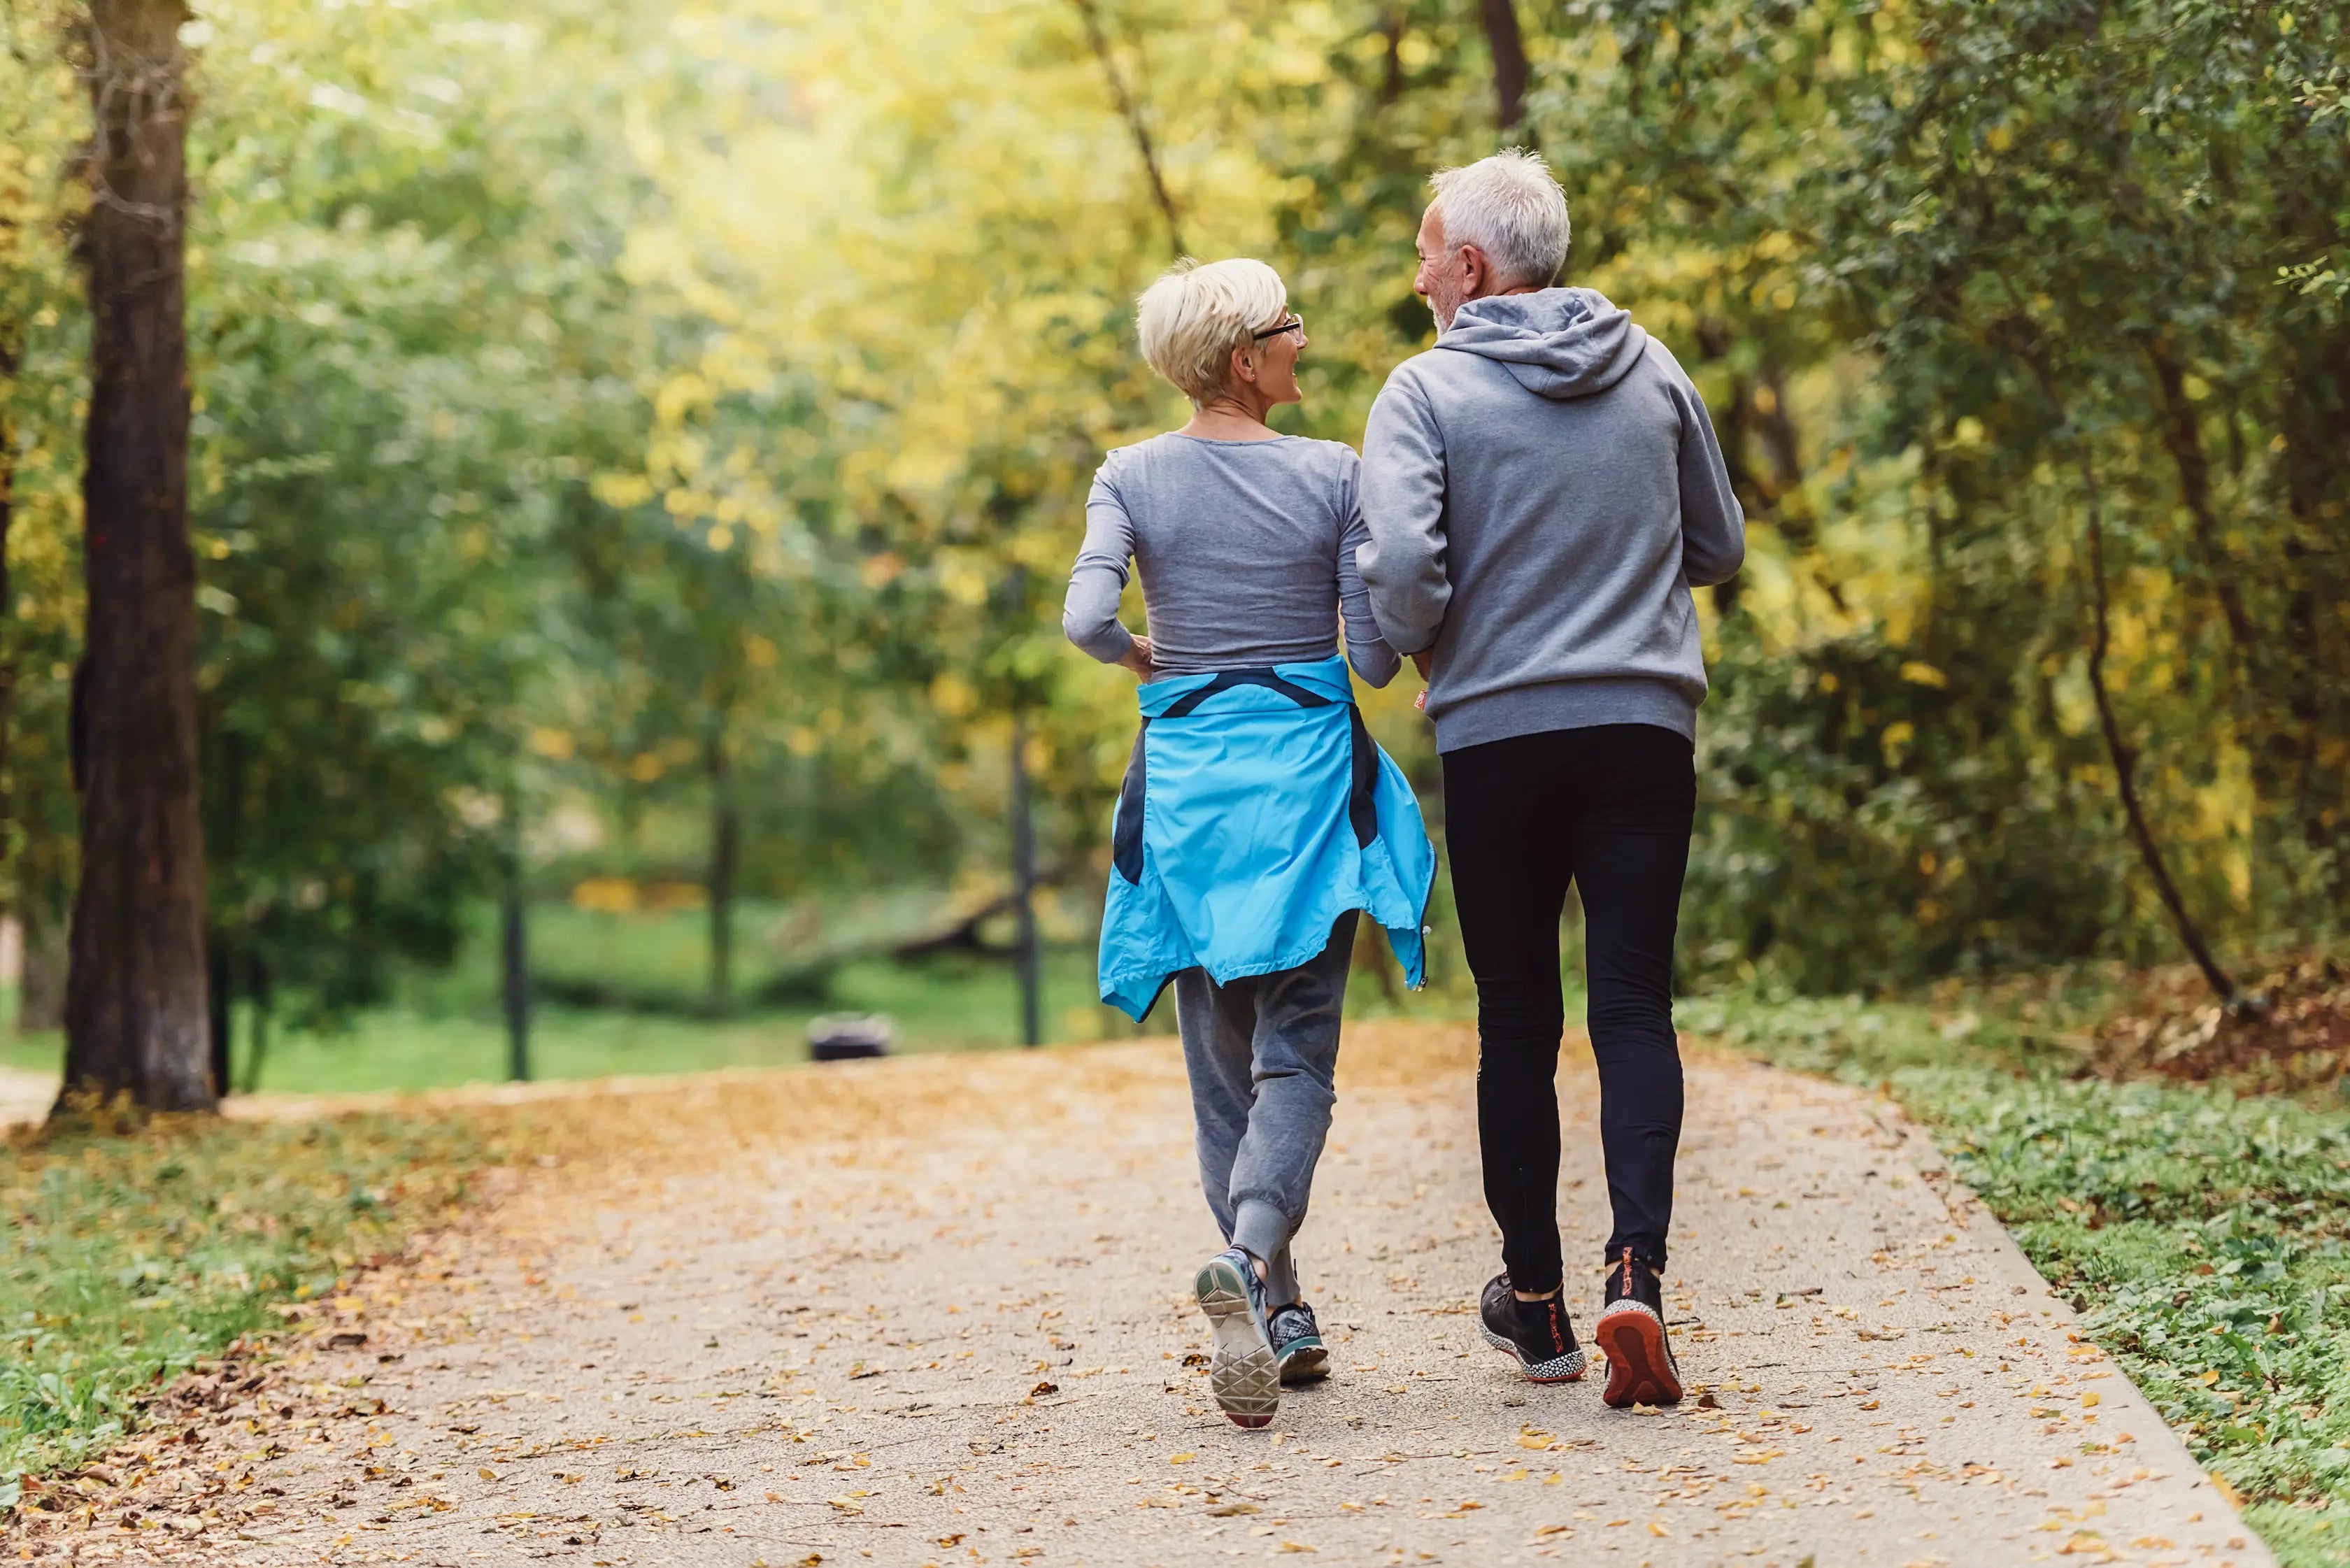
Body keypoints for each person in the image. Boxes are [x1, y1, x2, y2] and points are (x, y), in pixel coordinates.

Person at [1357, 150, 1745, 1409]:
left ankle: (1537, 1306)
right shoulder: (1654, 365)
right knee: (1633, 1005)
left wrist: (1437, 645)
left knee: (1518, 1019)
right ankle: (1640, 1269)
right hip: (1644, 726)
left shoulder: (1424, 391)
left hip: (1501, 738)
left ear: (1471, 265)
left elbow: (1404, 570)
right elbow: (1717, 542)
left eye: (1426, 253)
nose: (1418, 276)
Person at [1064, 257, 1435, 1430]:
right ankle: (1256, 1249)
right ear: (1244, 359)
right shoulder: (1334, 475)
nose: (1303, 340)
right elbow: (1373, 660)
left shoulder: (1128, 475)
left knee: (1220, 1063)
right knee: (1299, 1053)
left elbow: (1085, 619)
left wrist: (1146, 659)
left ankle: (1274, 1304)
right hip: (1307, 794)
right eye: (1287, 327)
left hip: (1184, 798)